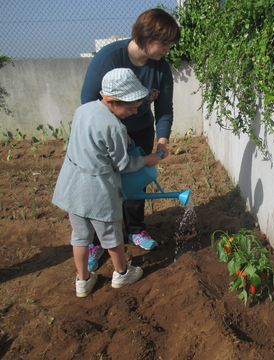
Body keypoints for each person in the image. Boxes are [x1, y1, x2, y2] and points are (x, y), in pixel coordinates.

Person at [80, 8, 181, 271]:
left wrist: (162, 141)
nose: (168, 49)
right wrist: (116, 130)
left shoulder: (160, 68)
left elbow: (165, 108)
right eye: (165, 43)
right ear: (148, 36)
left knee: (135, 180)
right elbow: (88, 100)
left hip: (140, 129)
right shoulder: (109, 57)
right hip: (105, 133)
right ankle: (93, 241)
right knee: (101, 183)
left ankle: (135, 229)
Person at [53, 68, 161, 297]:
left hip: (72, 186)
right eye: (130, 109)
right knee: (111, 236)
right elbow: (123, 165)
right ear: (112, 101)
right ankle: (122, 274)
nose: (133, 113)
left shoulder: (83, 110)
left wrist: (123, 138)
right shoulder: (115, 127)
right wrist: (146, 160)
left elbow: (93, 140)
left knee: (80, 237)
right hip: (98, 191)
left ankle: (82, 281)